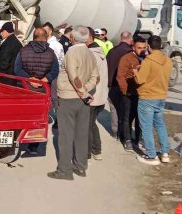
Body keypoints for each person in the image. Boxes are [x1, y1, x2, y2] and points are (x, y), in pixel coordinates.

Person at [47, 25, 99, 180]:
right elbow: (96, 77)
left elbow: (73, 76)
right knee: (81, 134)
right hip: (83, 100)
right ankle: (80, 166)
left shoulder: (72, 52)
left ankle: (64, 170)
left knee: (65, 136)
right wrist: (87, 91)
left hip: (69, 98)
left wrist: (83, 92)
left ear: (72, 37)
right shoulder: (90, 53)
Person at [14, 27, 59, 154]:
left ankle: (20, 139)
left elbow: (17, 69)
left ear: (33, 37)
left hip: (25, 88)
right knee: (39, 117)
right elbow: (55, 70)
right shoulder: (50, 52)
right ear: (45, 37)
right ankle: (34, 145)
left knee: (24, 114)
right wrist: (45, 79)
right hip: (42, 90)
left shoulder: (23, 51)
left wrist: (29, 79)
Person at [133, 35, 172, 165]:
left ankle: (152, 155)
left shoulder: (148, 61)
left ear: (148, 46)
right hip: (161, 96)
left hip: (147, 97)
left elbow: (140, 80)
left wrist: (135, 72)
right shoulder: (168, 60)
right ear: (160, 46)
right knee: (160, 125)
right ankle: (165, 153)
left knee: (147, 127)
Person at [117, 37, 146, 152]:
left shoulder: (146, 59)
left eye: (144, 48)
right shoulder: (126, 58)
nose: (142, 50)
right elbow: (120, 76)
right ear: (133, 46)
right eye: (139, 48)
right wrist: (125, 91)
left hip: (141, 94)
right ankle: (127, 139)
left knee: (140, 118)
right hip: (129, 93)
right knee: (127, 118)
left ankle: (138, 139)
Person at [86, 27, 108, 161]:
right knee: (91, 124)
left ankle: (87, 152)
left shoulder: (90, 55)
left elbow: (91, 77)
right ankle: (96, 150)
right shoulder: (99, 52)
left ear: (88, 38)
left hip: (91, 96)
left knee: (86, 125)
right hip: (99, 95)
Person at [106, 31, 134, 139]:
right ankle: (123, 133)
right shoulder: (129, 52)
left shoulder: (112, 51)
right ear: (130, 40)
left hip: (111, 85)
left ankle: (114, 131)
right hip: (124, 85)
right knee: (124, 110)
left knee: (113, 108)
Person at [43, 22, 65, 128]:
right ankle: (45, 116)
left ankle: (58, 118)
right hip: (45, 75)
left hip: (55, 75)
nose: (43, 32)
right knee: (46, 96)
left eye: (45, 30)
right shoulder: (44, 43)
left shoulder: (56, 45)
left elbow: (61, 61)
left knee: (55, 97)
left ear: (50, 31)